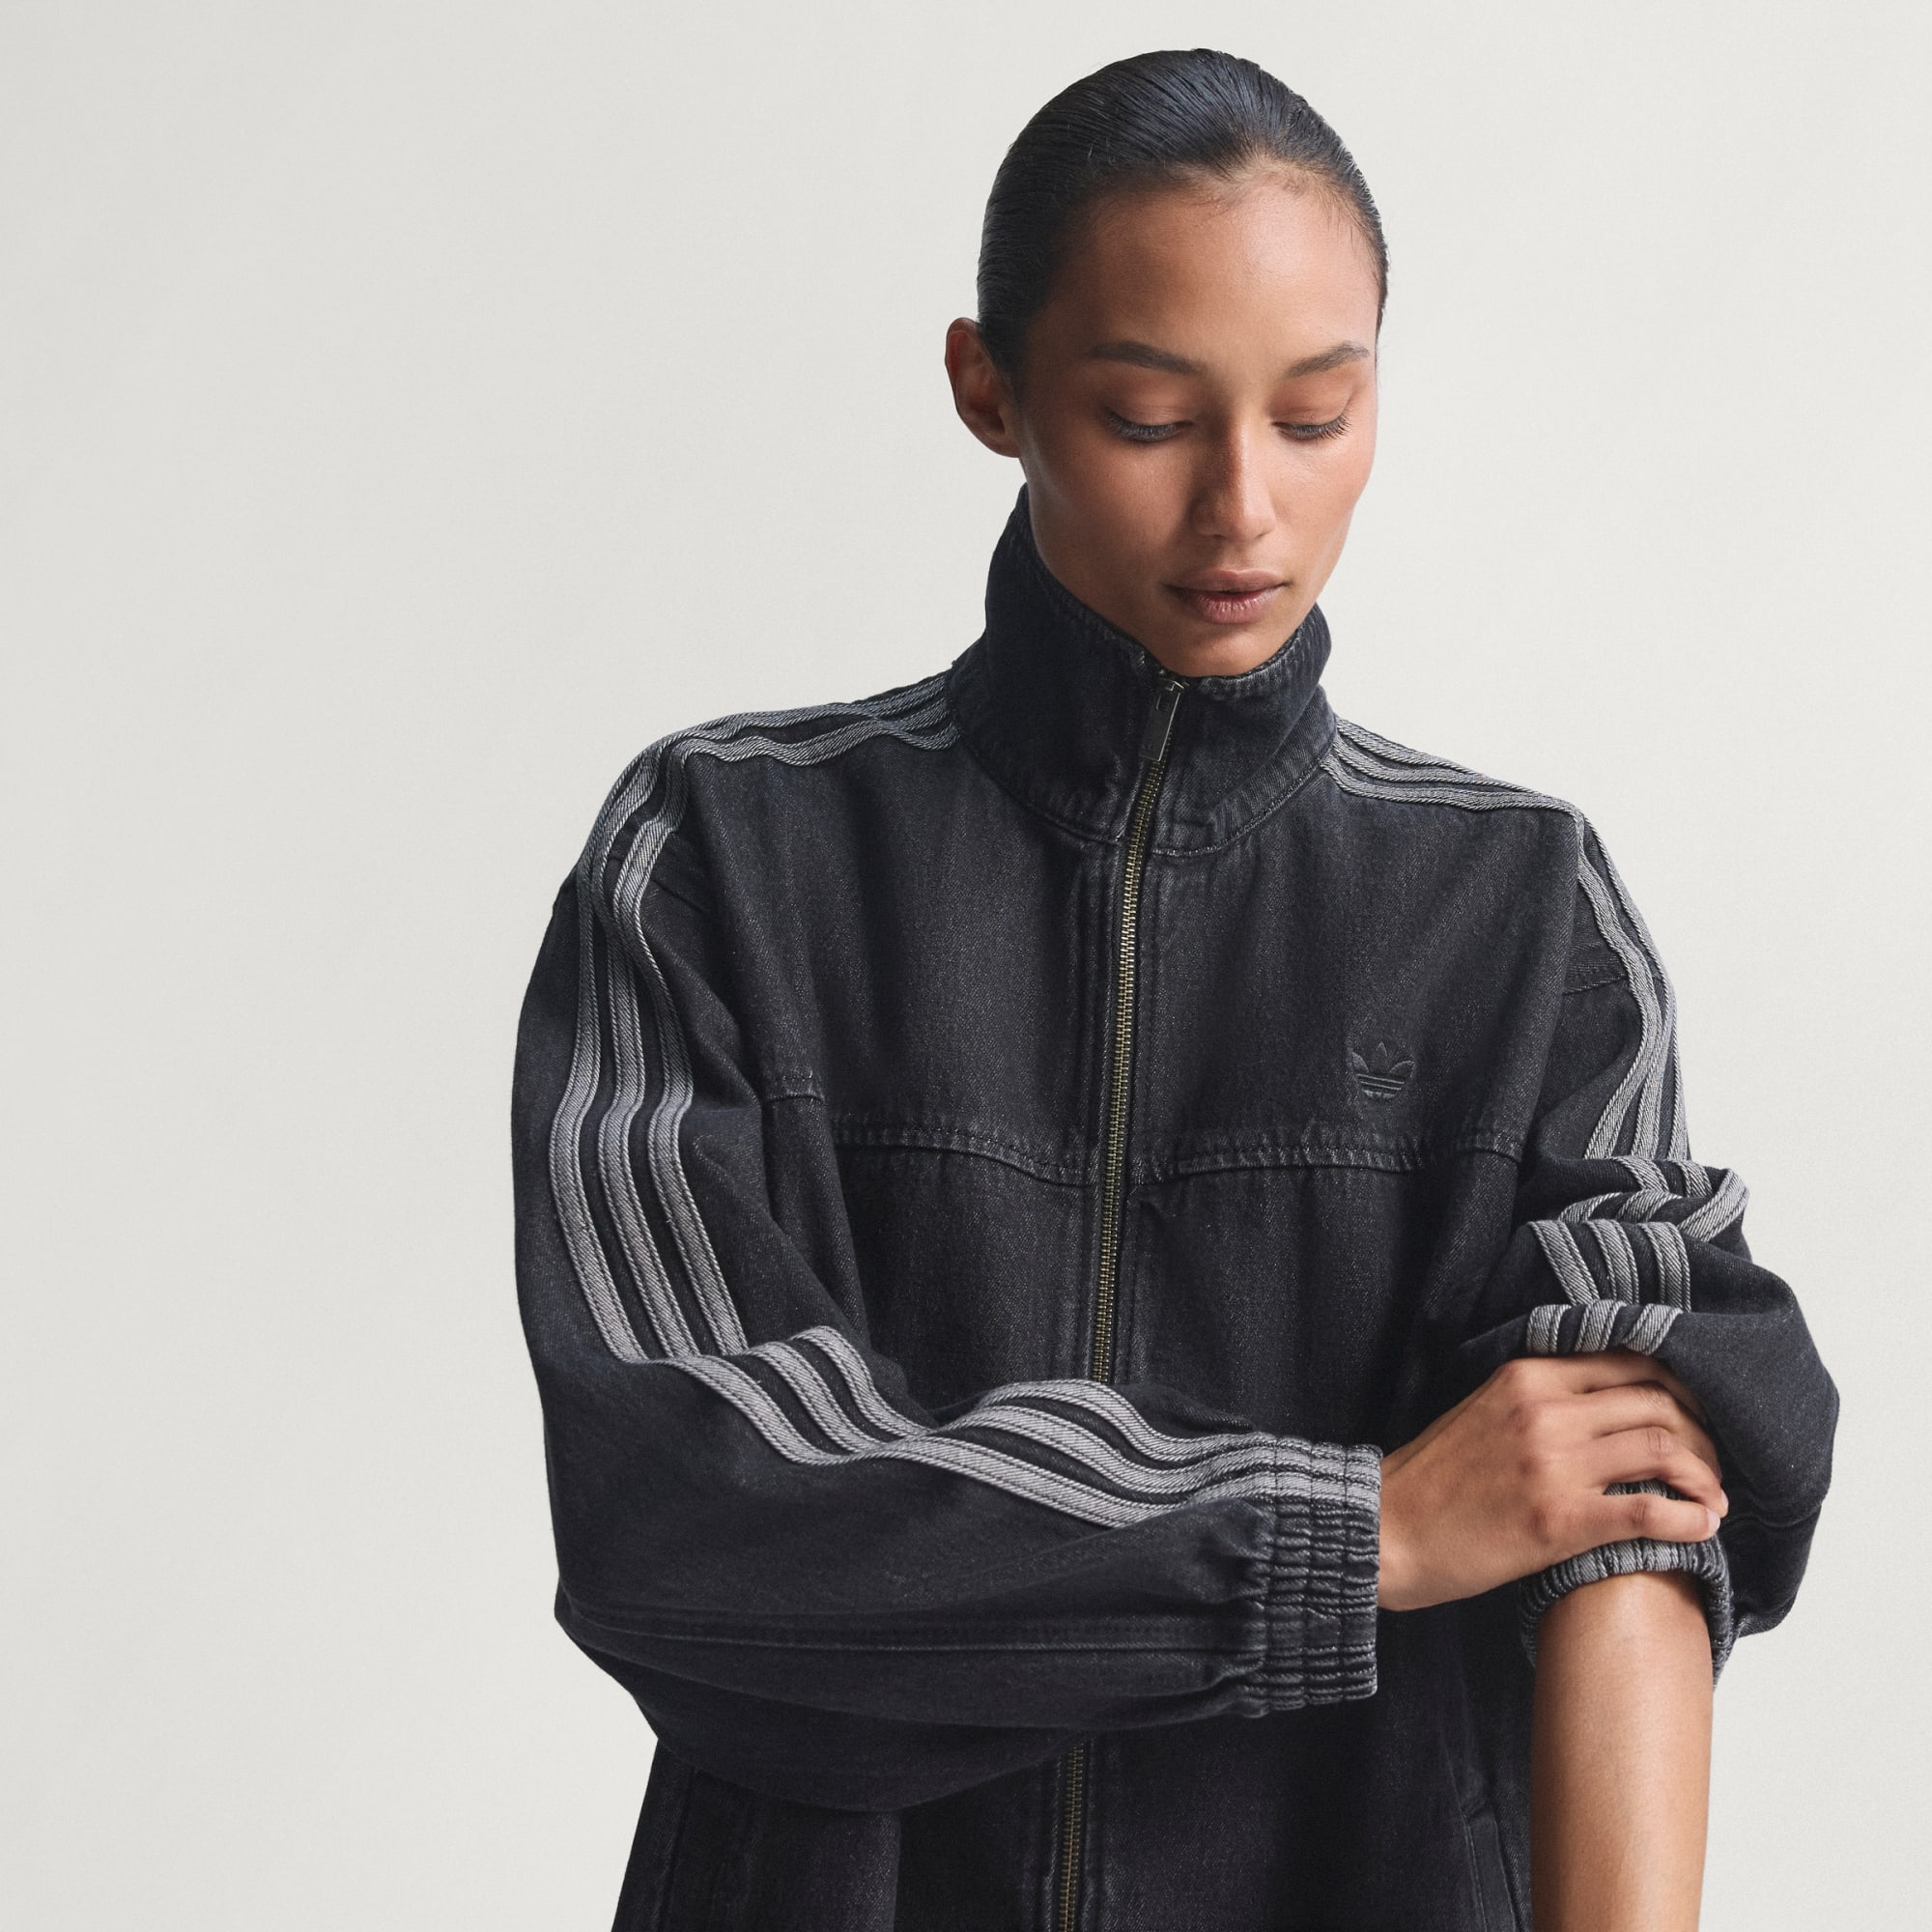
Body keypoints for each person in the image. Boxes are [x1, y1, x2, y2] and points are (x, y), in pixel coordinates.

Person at [510, 47, 1837, 1931]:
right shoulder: (728, 852)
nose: (1244, 509)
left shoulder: (1518, 904)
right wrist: (1352, 1533)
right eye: (1147, 417)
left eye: (1316, 415)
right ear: (989, 387)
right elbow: (693, 1504)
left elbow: (1631, 1486)